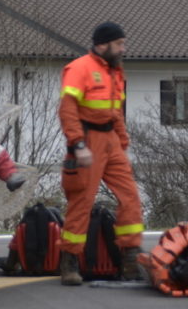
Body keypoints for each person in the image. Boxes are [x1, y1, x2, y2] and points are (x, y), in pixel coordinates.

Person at [57, 21, 145, 285]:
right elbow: (68, 109)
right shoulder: (79, 68)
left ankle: (131, 257)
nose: (123, 48)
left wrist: (123, 144)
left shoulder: (115, 72)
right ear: (102, 44)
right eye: (119, 44)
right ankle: (69, 261)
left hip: (111, 140)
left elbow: (115, 111)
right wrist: (78, 144)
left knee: (130, 197)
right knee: (82, 201)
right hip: (88, 139)